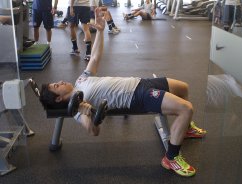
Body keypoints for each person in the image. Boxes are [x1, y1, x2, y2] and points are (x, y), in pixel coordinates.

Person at [39, 7, 206, 177]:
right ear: (59, 99)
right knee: (186, 108)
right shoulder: (76, 108)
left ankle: (185, 128)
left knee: (183, 88)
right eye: (56, 86)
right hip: (136, 97)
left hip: (139, 82)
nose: (60, 82)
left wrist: (101, 32)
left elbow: (95, 58)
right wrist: (87, 114)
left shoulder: (80, 81)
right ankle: (171, 158)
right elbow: (93, 131)